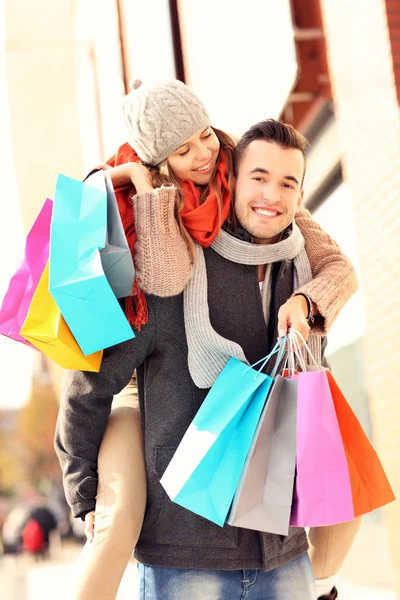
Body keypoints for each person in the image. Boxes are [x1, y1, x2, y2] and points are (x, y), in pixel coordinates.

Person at [55, 109, 360, 599]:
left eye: (287, 184)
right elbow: (90, 380)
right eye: (258, 177)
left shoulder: (300, 268)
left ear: (301, 197)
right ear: (232, 179)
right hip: (185, 555)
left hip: (282, 554)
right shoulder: (170, 270)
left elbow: (341, 275)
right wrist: (83, 489)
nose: (271, 196)